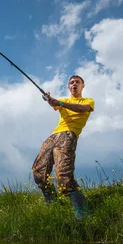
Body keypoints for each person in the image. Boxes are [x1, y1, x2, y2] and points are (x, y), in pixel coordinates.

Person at [32, 75, 94, 219]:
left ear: (82, 86)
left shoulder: (87, 101)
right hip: (54, 136)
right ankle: (53, 205)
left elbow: (81, 109)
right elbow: (53, 103)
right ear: (68, 87)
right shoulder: (64, 101)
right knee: (38, 172)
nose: (74, 85)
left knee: (64, 176)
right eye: (71, 83)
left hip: (68, 135)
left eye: (77, 82)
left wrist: (60, 103)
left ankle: (83, 214)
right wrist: (48, 98)